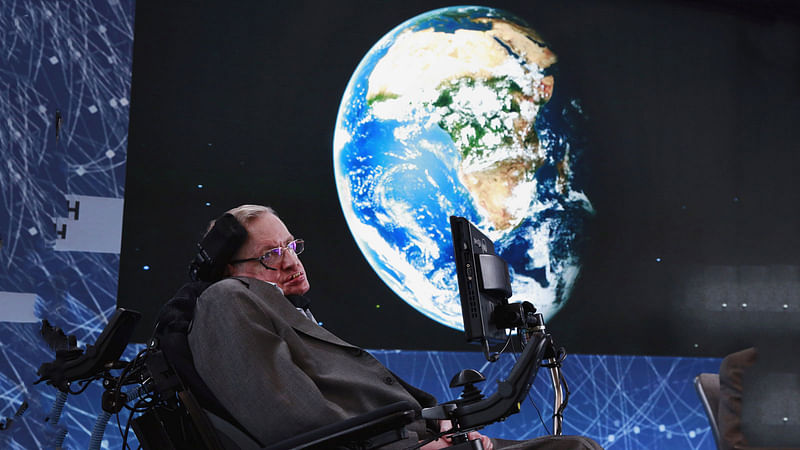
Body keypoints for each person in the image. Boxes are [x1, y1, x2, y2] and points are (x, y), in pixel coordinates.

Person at [187, 204, 602, 449]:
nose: (292, 261)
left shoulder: (289, 314)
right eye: (271, 255)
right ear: (229, 269)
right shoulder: (225, 301)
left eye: (292, 247)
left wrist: (445, 427)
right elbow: (291, 421)